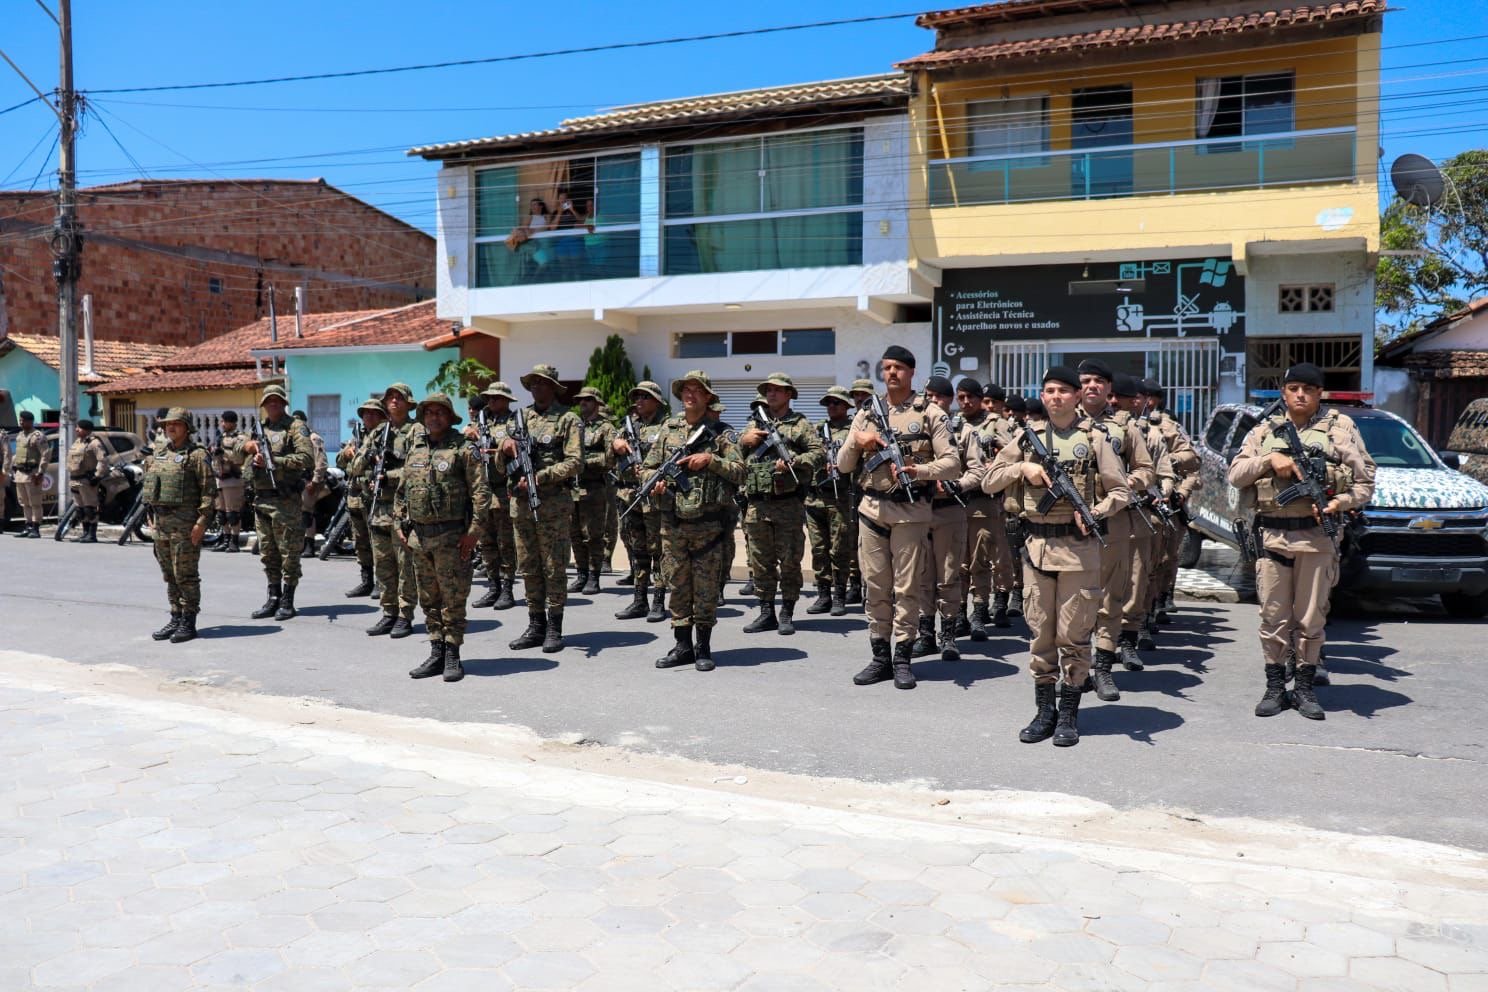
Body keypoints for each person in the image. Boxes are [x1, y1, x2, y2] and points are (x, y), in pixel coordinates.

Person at [982, 366, 1130, 747]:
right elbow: (989, 479)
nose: (1056, 397)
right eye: (1049, 391)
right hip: (1036, 550)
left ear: (1077, 396)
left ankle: (1068, 713)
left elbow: (1121, 492)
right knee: (1040, 636)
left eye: (1064, 390)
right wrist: (1023, 467)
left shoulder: (1095, 439)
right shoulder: (1027, 438)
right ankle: (1044, 710)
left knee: (1073, 635)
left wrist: (1095, 512)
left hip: (1079, 552)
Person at [1227, 363, 1374, 721]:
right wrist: (1269, 460)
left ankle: (1304, 689)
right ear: (1284, 392)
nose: (1300, 394)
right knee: (1273, 617)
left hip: (1316, 537)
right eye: (1293, 387)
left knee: (1310, 619)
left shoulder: (1341, 429)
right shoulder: (1265, 430)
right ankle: (1275, 688)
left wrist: (1342, 502)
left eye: (1309, 388)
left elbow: (1365, 481)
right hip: (1273, 536)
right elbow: (1235, 474)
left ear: (1320, 392)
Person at [836, 346, 959, 690]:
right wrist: (858, 441)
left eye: (899, 368)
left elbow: (952, 464)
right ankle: (880, 657)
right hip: (872, 511)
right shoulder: (866, 413)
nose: (892, 373)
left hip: (911, 513)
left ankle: (903, 657)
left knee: (906, 589)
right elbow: (844, 465)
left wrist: (918, 470)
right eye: (887, 367)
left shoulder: (932, 413)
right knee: (875, 585)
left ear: (911, 373)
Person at [648, 371, 746, 672]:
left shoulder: (722, 432)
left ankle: (703, 646)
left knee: (704, 588)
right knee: (676, 584)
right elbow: (647, 467)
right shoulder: (668, 429)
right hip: (673, 521)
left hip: (708, 525)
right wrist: (654, 484)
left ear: (707, 397)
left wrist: (711, 461)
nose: (690, 395)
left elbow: (741, 471)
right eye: (685, 390)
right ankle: (682, 645)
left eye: (697, 390)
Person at [396, 393, 493, 683]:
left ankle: (453, 653)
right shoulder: (416, 449)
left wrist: (473, 533)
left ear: (450, 417)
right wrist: (400, 523)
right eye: (429, 413)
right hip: (420, 538)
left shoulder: (464, 449)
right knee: (428, 599)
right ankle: (436, 649)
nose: (434, 417)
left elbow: (481, 494)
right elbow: (402, 491)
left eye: (440, 412)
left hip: (452, 537)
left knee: (452, 599)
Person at [1076, 363, 1156, 702]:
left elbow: (1146, 470)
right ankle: (1076, 669)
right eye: (1085, 381)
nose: (1091, 386)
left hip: (1115, 521)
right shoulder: (1062, 425)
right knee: (1075, 600)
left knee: (1110, 599)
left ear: (1109, 388)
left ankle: (1104, 669)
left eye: (1098, 381)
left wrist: (1123, 486)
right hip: (1072, 523)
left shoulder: (1124, 428)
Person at [497, 365, 581, 653]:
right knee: (529, 567)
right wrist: (504, 448)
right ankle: (535, 625)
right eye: (533, 383)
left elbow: (574, 462)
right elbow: (499, 467)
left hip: (553, 506)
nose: (537, 388)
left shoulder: (567, 419)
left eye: (543, 384)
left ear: (553, 388)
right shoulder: (518, 418)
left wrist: (540, 477)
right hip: (520, 505)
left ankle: (555, 627)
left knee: (553, 567)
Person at [738, 373, 824, 636]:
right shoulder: (753, 424)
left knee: (789, 561)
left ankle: (786, 611)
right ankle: (766, 612)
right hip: (756, 504)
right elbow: (733, 456)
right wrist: (744, 442)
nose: (772, 394)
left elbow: (819, 453)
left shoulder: (799, 424)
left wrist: (794, 461)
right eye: (769, 390)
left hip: (787, 503)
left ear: (789, 395)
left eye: (777, 390)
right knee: (761, 561)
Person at [915, 375, 986, 661]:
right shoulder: (916, 428)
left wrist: (957, 485)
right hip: (918, 509)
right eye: (928, 396)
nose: (932, 401)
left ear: (948, 400)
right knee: (922, 576)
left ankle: (948, 636)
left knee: (948, 576)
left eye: (937, 397)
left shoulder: (962, 430)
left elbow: (977, 471)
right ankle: (925, 635)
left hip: (949, 510)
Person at [1114, 376, 1176, 671]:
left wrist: (1162, 493)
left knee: (1137, 581)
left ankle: (1127, 639)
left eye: (1125, 398)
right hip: (1102, 517)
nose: (1117, 403)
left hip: (1139, 516)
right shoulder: (1089, 431)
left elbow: (1165, 474)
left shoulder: (1150, 435)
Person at [142, 408, 216, 644]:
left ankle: (189, 621)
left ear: (186, 427)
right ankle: (175, 616)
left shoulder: (196, 455)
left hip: (185, 525)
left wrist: (201, 523)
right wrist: (151, 516)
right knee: (169, 575)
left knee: (186, 575)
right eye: (166, 424)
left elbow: (208, 493)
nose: (169, 428)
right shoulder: (160, 454)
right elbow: (153, 488)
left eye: (175, 423)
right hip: (162, 524)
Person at [241, 386, 315, 621]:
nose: (273, 404)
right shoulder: (258, 429)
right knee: (268, 553)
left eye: (277, 401)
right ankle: (273, 597)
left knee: (288, 553)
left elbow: (306, 458)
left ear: (284, 403)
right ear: (263, 405)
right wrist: (249, 450)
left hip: (285, 500)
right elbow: (236, 452)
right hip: (261, 499)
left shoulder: (295, 427)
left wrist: (276, 460)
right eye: (268, 401)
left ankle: (287, 600)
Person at [354, 383, 421, 638]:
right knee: (383, 564)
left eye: (399, 397)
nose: (394, 401)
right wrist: (371, 454)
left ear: (408, 403)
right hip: (378, 507)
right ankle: (388, 612)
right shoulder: (379, 432)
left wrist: (388, 476)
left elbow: (416, 468)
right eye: (390, 397)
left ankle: (405, 614)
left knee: (405, 565)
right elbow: (356, 466)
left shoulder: (416, 431)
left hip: (402, 508)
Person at [1140, 378, 1202, 647]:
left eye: (1148, 397)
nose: (1144, 402)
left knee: (1166, 556)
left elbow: (1193, 464)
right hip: (1136, 501)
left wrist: (1171, 469)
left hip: (1168, 500)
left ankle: (1159, 600)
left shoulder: (1167, 427)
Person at [956, 379, 1017, 638]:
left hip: (985, 500)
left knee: (981, 559)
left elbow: (1013, 454)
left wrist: (996, 458)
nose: (966, 402)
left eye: (971, 396)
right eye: (961, 397)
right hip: (956, 501)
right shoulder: (953, 423)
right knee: (958, 563)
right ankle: (958, 614)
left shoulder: (997, 424)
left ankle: (980, 611)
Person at [613, 382, 672, 621]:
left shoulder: (667, 426)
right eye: (636, 396)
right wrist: (615, 445)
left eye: (644, 397)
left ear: (657, 401)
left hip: (654, 497)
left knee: (657, 549)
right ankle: (639, 600)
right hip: (629, 495)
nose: (639, 401)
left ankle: (658, 599)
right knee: (637, 550)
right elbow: (610, 456)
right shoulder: (628, 426)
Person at [467, 382, 520, 611]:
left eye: (497, 398)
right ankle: (493, 586)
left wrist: (497, 446)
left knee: (505, 542)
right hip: (482, 491)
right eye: (489, 398)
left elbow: (516, 446)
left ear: (507, 400)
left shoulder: (514, 422)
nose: (492, 402)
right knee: (486, 542)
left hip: (503, 489)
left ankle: (507, 588)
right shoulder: (481, 423)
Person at [805, 386, 857, 617]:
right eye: (829, 403)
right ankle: (823, 595)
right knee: (818, 549)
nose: (832, 406)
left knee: (839, 549)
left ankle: (839, 596)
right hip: (815, 496)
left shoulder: (853, 430)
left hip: (839, 497)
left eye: (836, 402)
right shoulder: (817, 430)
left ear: (846, 406)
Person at [569, 387, 616, 595]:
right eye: (581, 400)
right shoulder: (575, 426)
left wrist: (584, 462)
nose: (583, 403)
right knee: (575, 533)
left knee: (593, 535)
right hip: (573, 487)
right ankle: (581, 574)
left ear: (597, 403)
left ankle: (594, 575)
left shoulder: (606, 428)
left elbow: (611, 458)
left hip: (594, 486)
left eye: (588, 400)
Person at [337, 399, 386, 595]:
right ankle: (367, 580)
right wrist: (348, 453)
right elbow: (341, 462)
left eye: (373, 413)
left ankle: (381, 583)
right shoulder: (357, 436)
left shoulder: (384, 436)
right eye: (365, 413)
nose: (369, 416)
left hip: (373, 494)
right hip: (355, 494)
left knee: (377, 541)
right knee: (360, 541)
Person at [65, 419, 112, 543]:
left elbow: (103, 461)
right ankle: (85, 533)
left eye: (79, 428)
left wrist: (97, 476)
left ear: (86, 429)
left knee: (89, 508)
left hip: (86, 481)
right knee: (80, 509)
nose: (76, 430)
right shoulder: (77, 442)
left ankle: (92, 534)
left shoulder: (94, 443)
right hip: (75, 479)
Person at [209, 411, 248, 555]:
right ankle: (225, 541)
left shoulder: (240, 438)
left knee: (233, 513)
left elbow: (239, 458)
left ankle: (234, 541)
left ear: (232, 422)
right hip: (220, 478)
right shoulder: (221, 437)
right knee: (222, 514)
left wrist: (224, 454)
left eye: (224, 421)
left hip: (233, 479)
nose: (222, 424)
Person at [295, 411, 329, 558]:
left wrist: (315, 481)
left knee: (306, 513)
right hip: (296, 481)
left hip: (309, 481)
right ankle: (300, 544)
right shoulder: (295, 439)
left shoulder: (313, 438)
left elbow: (321, 462)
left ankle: (309, 546)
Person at [11, 411, 46, 538]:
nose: (20, 423)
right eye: (20, 420)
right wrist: (13, 465)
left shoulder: (38, 436)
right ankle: (28, 526)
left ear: (30, 421)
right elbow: (17, 453)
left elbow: (45, 455)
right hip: (20, 474)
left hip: (32, 473)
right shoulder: (20, 435)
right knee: (24, 503)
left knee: (35, 502)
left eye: (23, 420)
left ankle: (36, 528)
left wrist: (40, 472)